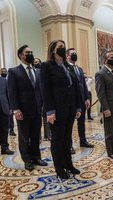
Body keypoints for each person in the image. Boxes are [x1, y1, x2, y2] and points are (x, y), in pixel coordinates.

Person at [40, 40, 81, 179]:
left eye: (64, 47)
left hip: (69, 108)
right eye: (60, 48)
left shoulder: (66, 66)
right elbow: (45, 90)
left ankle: (68, 164)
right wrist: (50, 111)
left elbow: (74, 87)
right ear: (53, 50)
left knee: (67, 138)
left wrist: (77, 107)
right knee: (57, 140)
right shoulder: (46, 66)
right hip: (56, 110)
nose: (63, 50)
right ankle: (59, 168)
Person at [8, 45, 47, 171]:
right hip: (22, 110)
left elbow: (40, 90)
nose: (30, 54)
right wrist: (16, 109)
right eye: (27, 52)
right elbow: (12, 92)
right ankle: (27, 159)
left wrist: (42, 106)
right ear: (20, 55)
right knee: (24, 136)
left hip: (36, 109)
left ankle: (36, 157)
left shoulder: (37, 70)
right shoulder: (14, 71)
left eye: (31, 51)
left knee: (36, 135)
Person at [66, 48, 94, 155]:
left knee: (81, 122)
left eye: (75, 54)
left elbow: (84, 85)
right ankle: (69, 146)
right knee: (69, 124)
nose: (75, 55)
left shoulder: (79, 69)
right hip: (72, 101)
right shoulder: (66, 68)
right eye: (73, 54)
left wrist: (86, 98)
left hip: (81, 100)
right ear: (68, 56)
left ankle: (83, 141)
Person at [0, 67, 16, 136]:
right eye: (2, 71)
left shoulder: (9, 80)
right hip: (3, 103)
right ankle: (6, 130)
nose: (4, 72)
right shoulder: (0, 81)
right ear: (0, 73)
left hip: (9, 102)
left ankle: (11, 130)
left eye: (5, 71)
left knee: (11, 118)